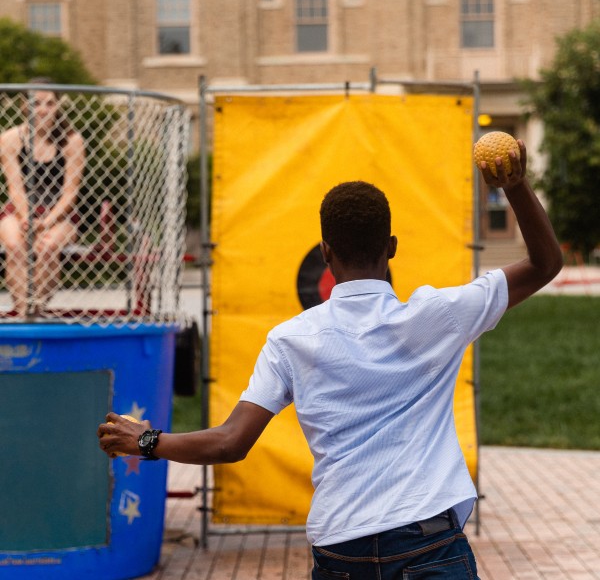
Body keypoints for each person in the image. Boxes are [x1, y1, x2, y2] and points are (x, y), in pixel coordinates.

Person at [98, 140, 563, 579]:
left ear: (324, 253)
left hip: (341, 548)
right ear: (392, 248)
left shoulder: (290, 339)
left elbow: (230, 442)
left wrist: (148, 441)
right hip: (429, 542)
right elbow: (545, 263)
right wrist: (515, 184)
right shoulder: (438, 315)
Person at [0, 78, 84, 317]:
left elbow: (70, 193)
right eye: (36, 103)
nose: (43, 109)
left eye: (49, 103)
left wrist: (47, 222)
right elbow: (14, 187)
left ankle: (35, 310)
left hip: (59, 213)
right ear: (25, 107)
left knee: (48, 247)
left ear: (58, 106)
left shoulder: (71, 141)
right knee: (16, 246)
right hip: (19, 210)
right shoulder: (11, 139)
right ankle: (22, 310)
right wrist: (26, 218)